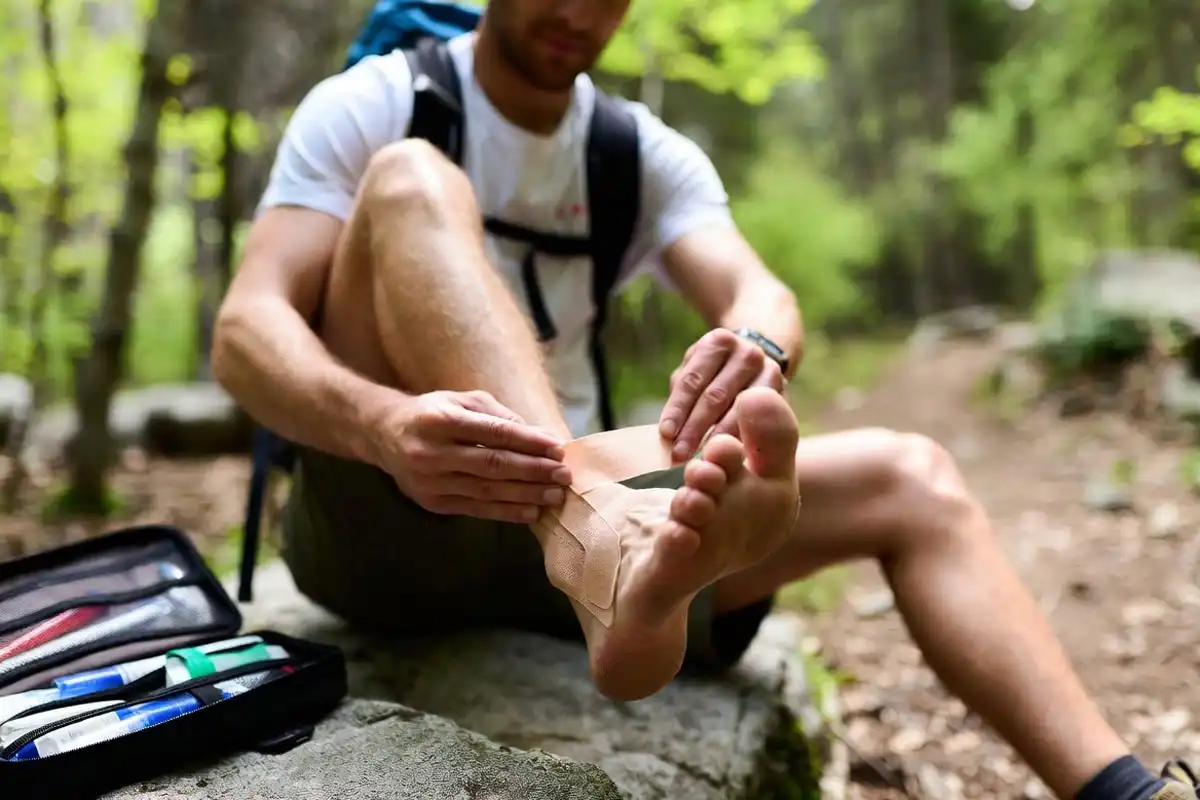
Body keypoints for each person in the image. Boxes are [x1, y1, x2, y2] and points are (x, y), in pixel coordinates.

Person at [211, 0, 1195, 798]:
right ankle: (595, 521)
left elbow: (759, 290)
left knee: (915, 474)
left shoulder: (635, 151)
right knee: (411, 179)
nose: (579, 11)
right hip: (395, 507)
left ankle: (1124, 794)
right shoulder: (377, 102)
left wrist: (755, 346)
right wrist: (379, 424)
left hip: (586, 570)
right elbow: (247, 330)